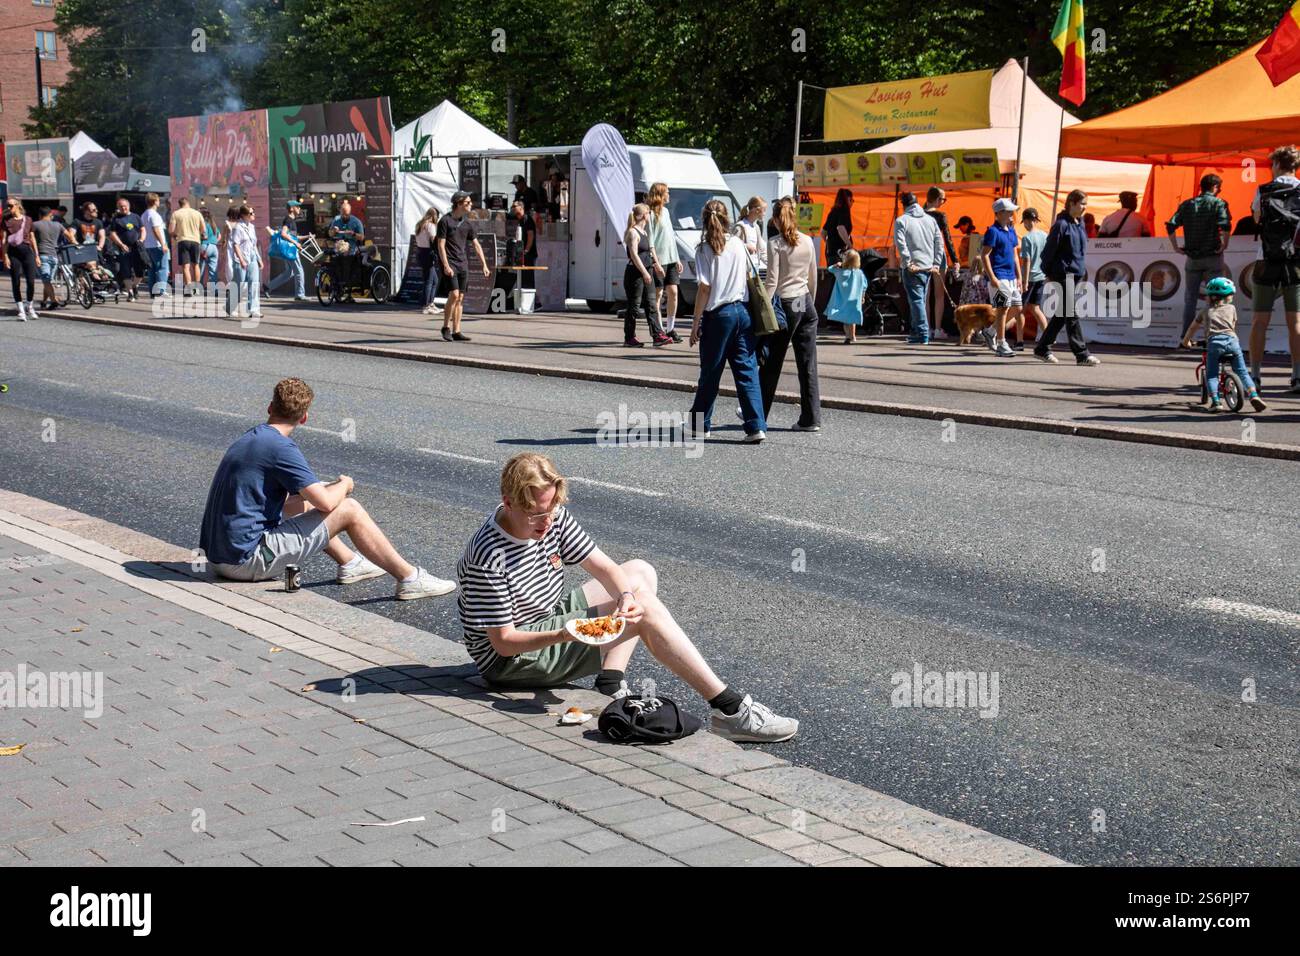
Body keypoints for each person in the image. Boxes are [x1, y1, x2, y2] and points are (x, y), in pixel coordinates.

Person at [455, 452, 797, 742]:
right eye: (535, 515)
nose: (546, 523)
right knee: (646, 610)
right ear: (508, 500)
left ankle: (610, 680)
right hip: (510, 662)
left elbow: (606, 567)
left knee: (639, 574)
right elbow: (504, 643)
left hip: (544, 617)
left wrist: (624, 598)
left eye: (551, 510)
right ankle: (731, 710)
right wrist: (567, 633)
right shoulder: (489, 555)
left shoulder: (552, 516)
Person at [200, 377, 455, 599]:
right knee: (349, 509)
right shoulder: (281, 448)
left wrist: (322, 491)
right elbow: (327, 504)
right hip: (246, 562)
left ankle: (350, 563)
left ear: (270, 407)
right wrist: (344, 485)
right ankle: (410, 579)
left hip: (220, 558)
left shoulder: (251, 437)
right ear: (304, 417)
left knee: (304, 501)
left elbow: (300, 500)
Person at [687, 199, 766, 443]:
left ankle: (700, 425)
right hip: (742, 313)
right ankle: (756, 426)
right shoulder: (738, 244)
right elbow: (749, 275)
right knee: (746, 371)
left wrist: (695, 323)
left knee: (710, 372)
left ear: (704, 219)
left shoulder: (704, 249)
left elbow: (704, 289)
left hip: (718, 316)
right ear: (727, 218)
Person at [760, 197, 821, 429]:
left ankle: (757, 416)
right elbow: (813, 276)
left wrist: (762, 308)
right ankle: (810, 418)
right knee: (808, 365)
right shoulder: (807, 240)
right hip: (805, 302)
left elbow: (772, 282)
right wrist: (809, 305)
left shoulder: (775, 243)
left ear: (776, 220)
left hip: (786, 304)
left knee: (770, 364)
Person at [1247, 145, 1300, 393]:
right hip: (1295, 262)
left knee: (1259, 320)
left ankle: (1255, 376)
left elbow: (1256, 219)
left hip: (1266, 259)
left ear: (1276, 164)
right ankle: (1297, 376)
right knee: (1296, 323)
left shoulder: (1263, 189)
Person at [1180, 277, 1267, 413]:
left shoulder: (1205, 311)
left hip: (1214, 344)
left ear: (1209, 297)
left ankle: (1216, 402)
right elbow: (1233, 325)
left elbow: (1192, 328)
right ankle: (1253, 395)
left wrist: (1185, 342)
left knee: (1212, 375)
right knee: (1243, 372)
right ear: (1228, 296)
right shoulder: (1232, 308)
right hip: (1232, 342)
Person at [1034, 189, 1101, 366]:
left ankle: (1042, 348)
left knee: (1063, 313)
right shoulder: (1061, 225)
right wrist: (1047, 272)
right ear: (1072, 203)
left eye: (1086, 204)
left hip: (1075, 273)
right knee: (1071, 313)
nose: (1085, 207)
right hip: (1062, 274)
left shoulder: (1079, 223)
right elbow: (1048, 251)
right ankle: (1082, 354)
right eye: (1082, 204)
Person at [1166, 173, 1231, 342]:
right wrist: (1225, 243)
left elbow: (1171, 224)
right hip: (1212, 257)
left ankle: (1185, 337)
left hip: (1192, 258)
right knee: (1216, 299)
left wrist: (1175, 247)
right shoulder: (1219, 203)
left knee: (1190, 300)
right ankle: (1214, 336)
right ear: (1215, 188)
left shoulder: (1187, 204)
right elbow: (1225, 225)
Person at [436, 190, 490, 342]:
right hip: (450, 262)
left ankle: (457, 330)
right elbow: (441, 244)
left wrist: (484, 265)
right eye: (467, 203)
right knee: (453, 294)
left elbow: (476, 244)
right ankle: (446, 327)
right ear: (458, 204)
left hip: (462, 263)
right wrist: (445, 265)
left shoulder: (467, 224)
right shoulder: (445, 221)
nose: (470, 205)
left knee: (460, 297)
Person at [893, 191, 945, 345]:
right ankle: (917, 331)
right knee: (920, 299)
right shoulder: (930, 220)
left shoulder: (901, 220)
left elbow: (901, 244)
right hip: (928, 266)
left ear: (904, 205)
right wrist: (935, 263)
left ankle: (921, 333)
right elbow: (939, 243)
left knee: (916, 300)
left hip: (913, 267)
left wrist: (908, 262)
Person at [980, 197, 1024, 356]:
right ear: (999, 213)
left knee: (1017, 308)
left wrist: (1019, 277)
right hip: (999, 275)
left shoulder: (1012, 231)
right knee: (1003, 308)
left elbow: (1014, 256)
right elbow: (984, 255)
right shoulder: (992, 231)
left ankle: (990, 332)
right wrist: (992, 278)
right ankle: (1001, 343)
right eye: (1009, 210)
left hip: (1011, 276)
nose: (1013, 213)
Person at [622, 202, 668, 348]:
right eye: (648, 213)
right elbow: (634, 255)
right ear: (643, 215)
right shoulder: (633, 232)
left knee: (651, 303)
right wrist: (643, 272)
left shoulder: (645, 232)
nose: (650, 215)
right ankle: (629, 337)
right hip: (635, 274)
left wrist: (656, 266)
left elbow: (648, 253)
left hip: (647, 271)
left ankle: (657, 335)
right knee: (634, 306)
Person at [646, 183, 682, 343]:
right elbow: (651, 241)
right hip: (659, 261)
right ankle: (659, 331)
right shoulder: (650, 214)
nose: (669, 195)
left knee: (673, 292)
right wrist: (656, 263)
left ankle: (671, 328)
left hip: (671, 259)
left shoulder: (666, 212)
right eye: (667, 192)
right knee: (659, 295)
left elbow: (671, 238)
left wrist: (678, 258)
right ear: (660, 195)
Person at [924, 187, 958, 339]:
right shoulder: (940, 215)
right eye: (943, 200)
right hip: (938, 257)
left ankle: (926, 327)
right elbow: (948, 239)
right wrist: (955, 259)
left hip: (923, 256)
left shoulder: (920, 214)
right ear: (938, 199)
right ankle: (937, 329)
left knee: (925, 294)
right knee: (939, 295)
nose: (943, 203)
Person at [2, 199, 40, 320]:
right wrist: (5, 256)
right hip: (13, 253)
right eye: (7, 205)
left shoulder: (28, 220)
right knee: (16, 281)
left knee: (31, 281)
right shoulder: (6, 221)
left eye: (10, 205)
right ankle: (21, 310)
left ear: (18, 206)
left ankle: (29, 306)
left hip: (27, 253)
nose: (8, 207)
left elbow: (32, 238)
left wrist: (37, 255)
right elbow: (3, 240)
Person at [1019, 208, 1049, 346]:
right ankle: (1049, 336)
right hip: (1041, 276)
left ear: (1025, 221)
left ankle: (1019, 341)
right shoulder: (1045, 235)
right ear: (1036, 220)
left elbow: (1026, 261)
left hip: (1030, 278)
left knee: (1020, 309)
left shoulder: (1026, 238)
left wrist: (1024, 281)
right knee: (1035, 308)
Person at [827, 248, 867, 347]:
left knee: (846, 320)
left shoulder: (841, 272)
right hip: (855, 300)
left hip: (844, 300)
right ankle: (853, 335)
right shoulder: (860, 273)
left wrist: (837, 265)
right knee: (852, 319)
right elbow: (864, 286)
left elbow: (830, 269)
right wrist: (863, 296)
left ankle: (847, 336)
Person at [109, 198, 146, 300]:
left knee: (140, 272)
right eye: (120, 207)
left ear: (128, 206)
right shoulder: (116, 219)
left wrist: (142, 239)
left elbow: (143, 229)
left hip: (137, 247)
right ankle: (130, 293)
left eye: (125, 206)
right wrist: (121, 244)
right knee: (126, 271)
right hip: (124, 248)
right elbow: (112, 234)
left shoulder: (136, 217)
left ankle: (134, 286)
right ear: (118, 208)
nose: (123, 208)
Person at [229, 204, 263, 319]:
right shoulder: (238, 227)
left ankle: (254, 309)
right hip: (241, 258)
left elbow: (253, 245)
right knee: (240, 284)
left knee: (254, 283)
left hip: (252, 257)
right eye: (251, 213)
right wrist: (242, 260)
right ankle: (230, 306)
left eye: (253, 213)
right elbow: (235, 245)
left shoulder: (252, 227)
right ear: (244, 215)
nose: (254, 215)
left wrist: (259, 259)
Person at [328, 200, 365, 303]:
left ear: (350, 212)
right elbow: (330, 234)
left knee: (347, 261)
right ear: (340, 212)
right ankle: (337, 286)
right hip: (338, 246)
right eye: (343, 214)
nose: (344, 216)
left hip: (351, 247)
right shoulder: (336, 220)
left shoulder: (356, 221)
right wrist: (333, 231)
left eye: (347, 214)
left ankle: (347, 290)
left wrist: (353, 234)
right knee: (334, 261)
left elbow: (362, 237)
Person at [31, 206, 67, 310]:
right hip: (55, 257)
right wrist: (76, 243)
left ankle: (54, 301)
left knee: (46, 281)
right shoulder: (58, 225)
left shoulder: (35, 224)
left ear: (40, 215)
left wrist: (35, 255)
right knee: (47, 281)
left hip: (42, 255)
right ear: (50, 215)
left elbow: (31, 238)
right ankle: (44, 301)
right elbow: (69, 235)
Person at [169, 196, 205, 293]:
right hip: (195, 241)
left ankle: (189, 288)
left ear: (179, 205)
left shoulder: (176, 214)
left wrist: (176, 235)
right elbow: (203, 229)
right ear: (188, 203)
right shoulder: (197, 213)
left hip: (183, 241)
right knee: (196, 265)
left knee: (186, 266)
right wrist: (197, 233)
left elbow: (171, 230)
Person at [412, 206, 442, 316]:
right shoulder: (431, 226)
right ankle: (427, 305)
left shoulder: (420, 225)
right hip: (428, 253)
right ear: (434, 216)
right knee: (430, 280)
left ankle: (430, 303)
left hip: (421, 252)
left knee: (433, 280)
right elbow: (434, 240)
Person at [278, 199, 309, 302]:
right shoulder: (288, 220)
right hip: (291, 250)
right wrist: (296, 243)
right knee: (299, 271)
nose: (299, 208)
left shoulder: (292, 221)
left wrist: (308, 236)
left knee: (291, 272)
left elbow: (294, 237)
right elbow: (283, 233)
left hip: (291, 249)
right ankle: (300, 294)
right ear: (291, 208)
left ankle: (268, 287)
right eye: (297, 206)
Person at [141, 193, 170, 297]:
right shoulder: (154, 215)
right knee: (162, 268)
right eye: (158, 200)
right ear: (155, 201)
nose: (159, 202)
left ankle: (153, 291)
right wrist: (163, 244)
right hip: (156, 245)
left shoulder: (144, 214)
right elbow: (156, 229)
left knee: (152, 269)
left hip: (148, 245)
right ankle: (161, 290)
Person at [733, 196, 768, 275]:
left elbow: (762, 251)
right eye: (764, 210)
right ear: (757, 210)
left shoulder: (756, 227)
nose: (765, 214)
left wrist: (772, 266)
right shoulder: (740, 227)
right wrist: (746, 246)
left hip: (754, 271)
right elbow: (731, 248)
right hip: (741, 273)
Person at [821, 188, 853, 267]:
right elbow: (840, 228)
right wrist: (849, 245)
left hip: (830, 252)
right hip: (839, 253)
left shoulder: (833, 212)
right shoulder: (844, 211)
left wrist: (830, 243)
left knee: (833, 276)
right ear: (848, 199)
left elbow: (823, 232)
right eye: (852, 200)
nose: (852, 203)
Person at [199, 208, 220, 288]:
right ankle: (214, 290)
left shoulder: (202, 224)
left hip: (205, 246)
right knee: (213, 270)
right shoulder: (212, 224)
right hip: (214, 247)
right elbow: (219, 236)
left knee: (201, 270)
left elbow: (204, 236)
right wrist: (213, 242)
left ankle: (198, 289)